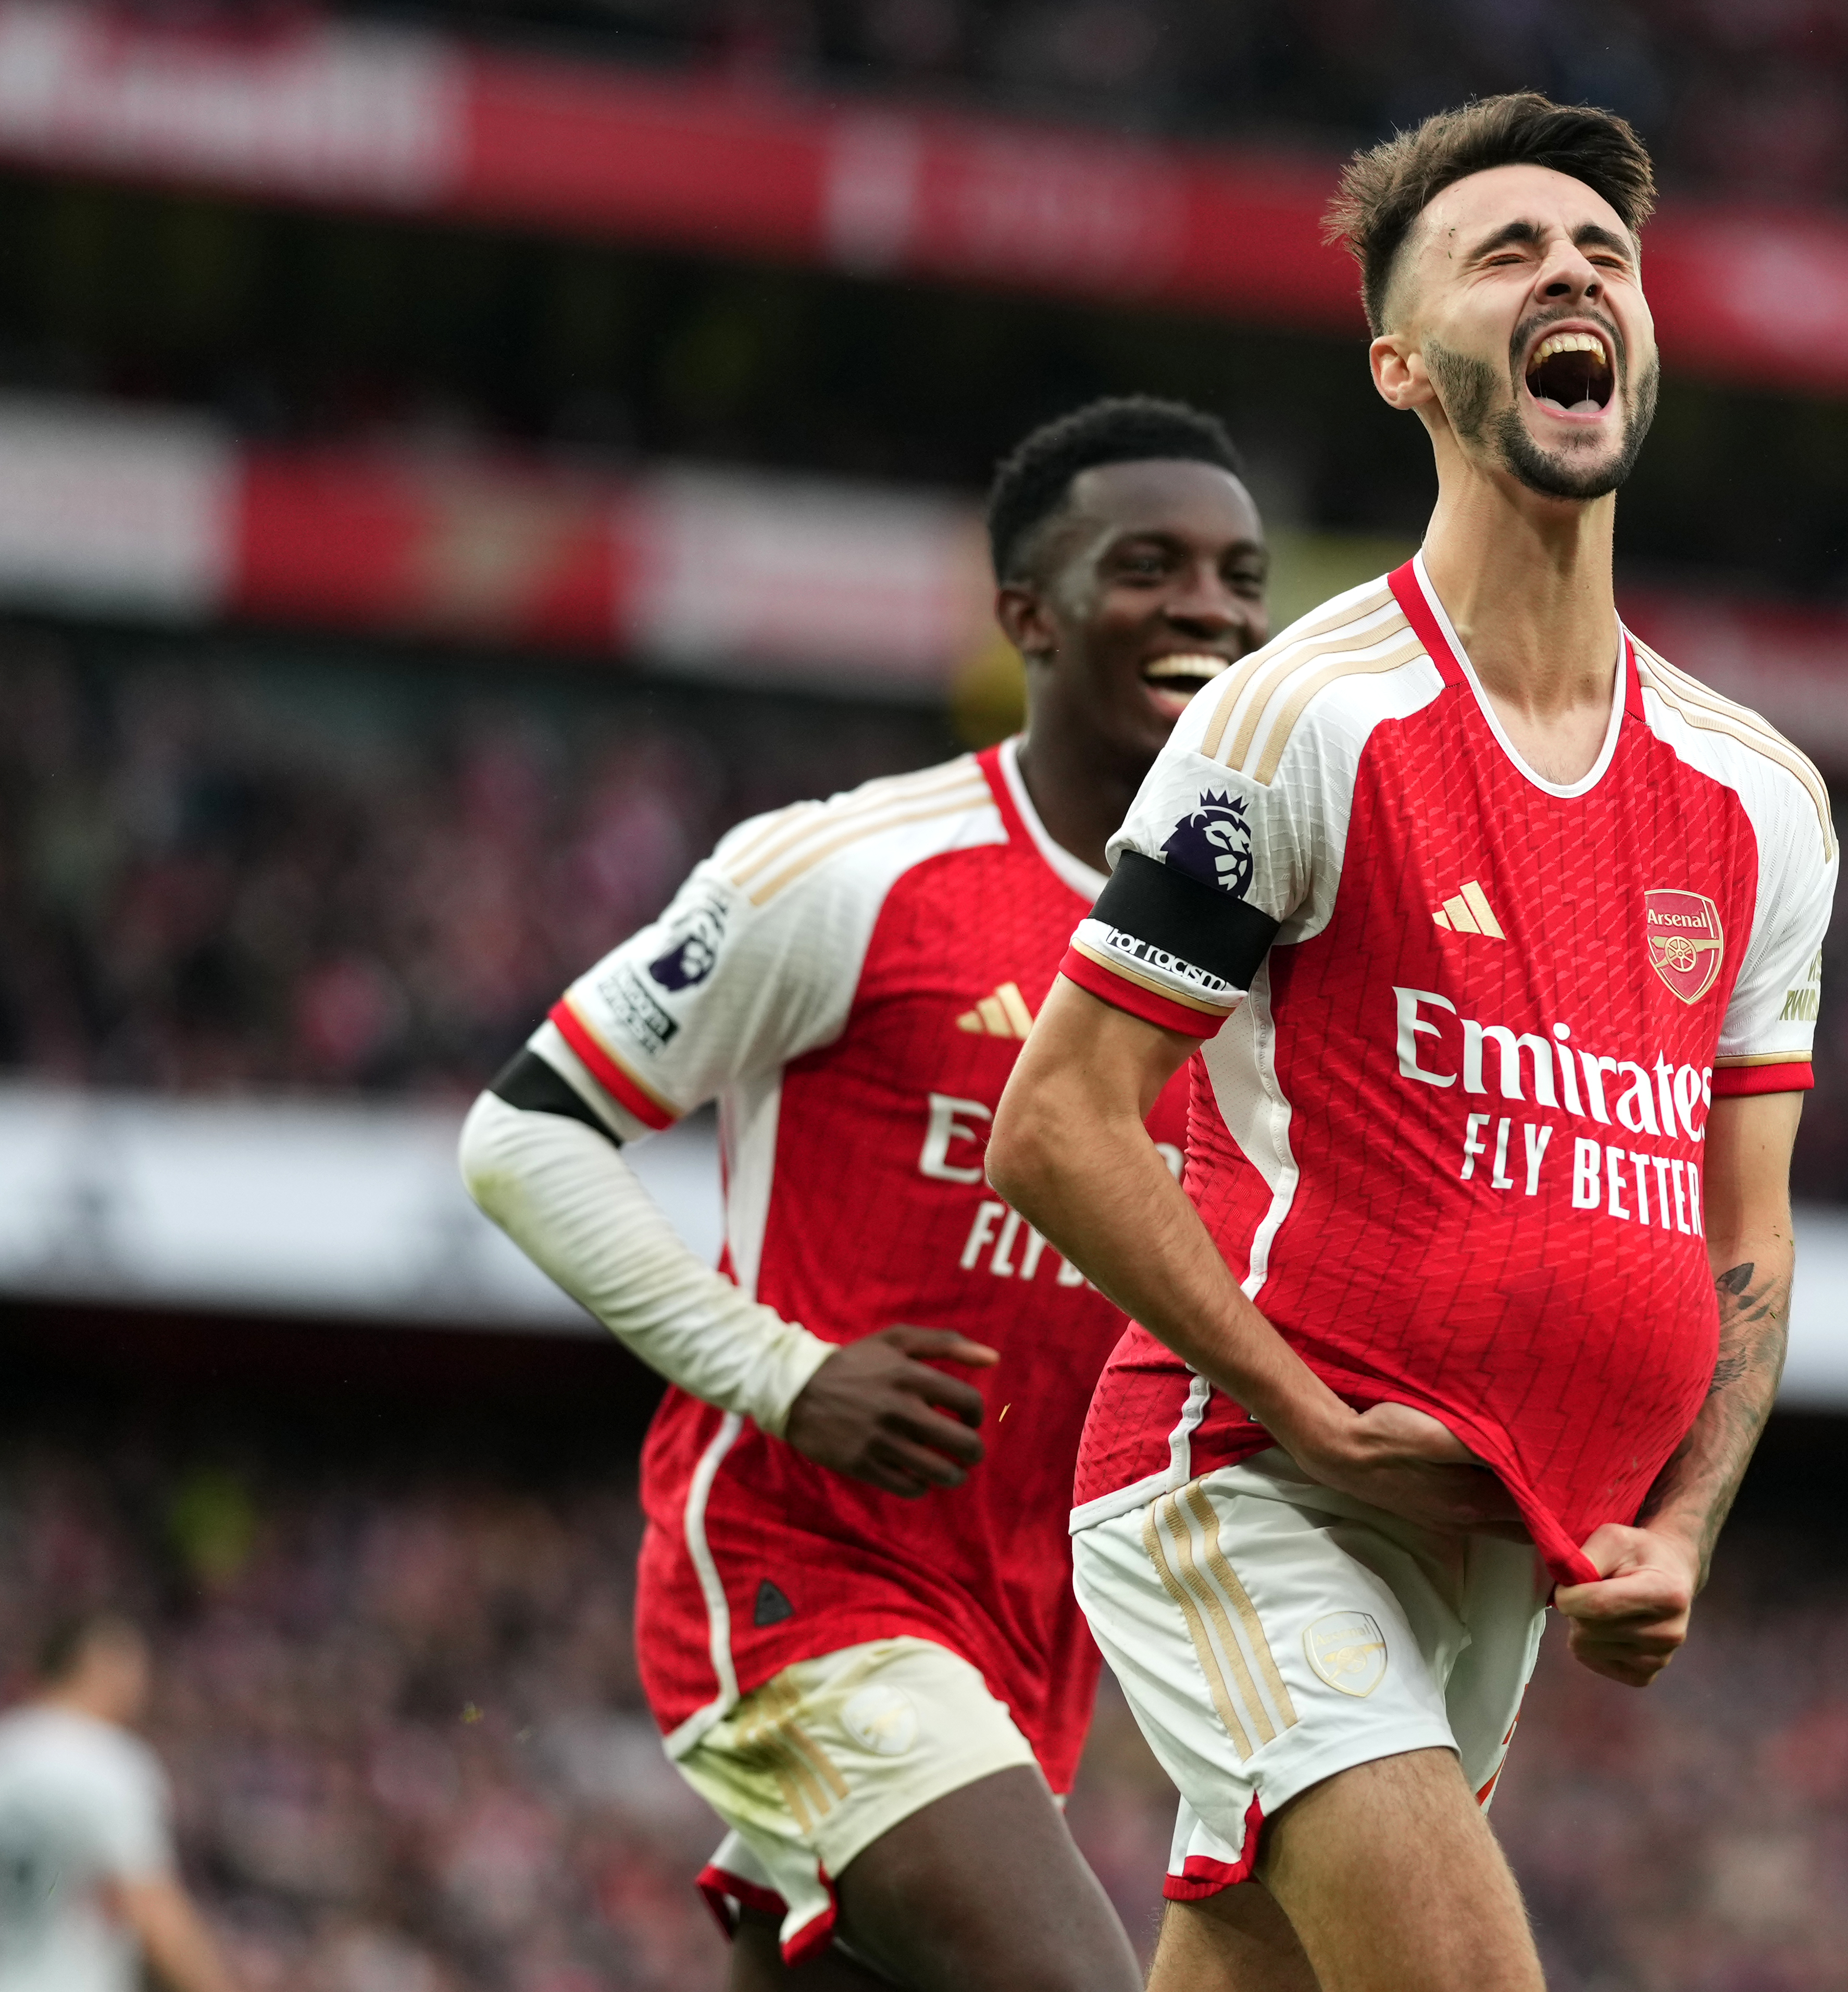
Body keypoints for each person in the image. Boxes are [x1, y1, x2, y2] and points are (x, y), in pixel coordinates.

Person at [987, 95, 1839, 1992]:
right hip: (1250, 1485)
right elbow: (1056, 1125)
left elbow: (1747, 1234)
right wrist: (1290, 1405)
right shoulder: (1302, 722)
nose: (1572, 277)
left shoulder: (1758, 795)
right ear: (1405, 364)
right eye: (1509, 251)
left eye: (1604, 254)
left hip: (1503, 1552)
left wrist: (1683, 1521)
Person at [460, 396, 1271, 1990]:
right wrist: (790, 1371)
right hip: (805, 1579)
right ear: (1027, 615)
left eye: (1240, 574)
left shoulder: (1260, 951)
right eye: (1150, 565)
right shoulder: (854, 871)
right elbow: (524, 1134)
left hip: (1035, 1627)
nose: (1211, 606)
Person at [0, 1613, 243, 1992]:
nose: (142, 1685)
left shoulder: (8, 1748)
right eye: (134, 1667)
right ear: (100, 1664)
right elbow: (154, 1910)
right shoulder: (109, 1764)